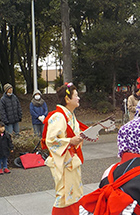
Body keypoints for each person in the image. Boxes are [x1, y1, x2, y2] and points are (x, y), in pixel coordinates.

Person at [43, 83, 88, 215]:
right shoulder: (58, 116)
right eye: (76, 96)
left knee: (73, 194)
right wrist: (70, 141)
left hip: (70, 160)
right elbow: (51, 140)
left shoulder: (69, 116)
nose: (79, 98)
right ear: (67, 99)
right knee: (64, 195)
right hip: (63, 161)